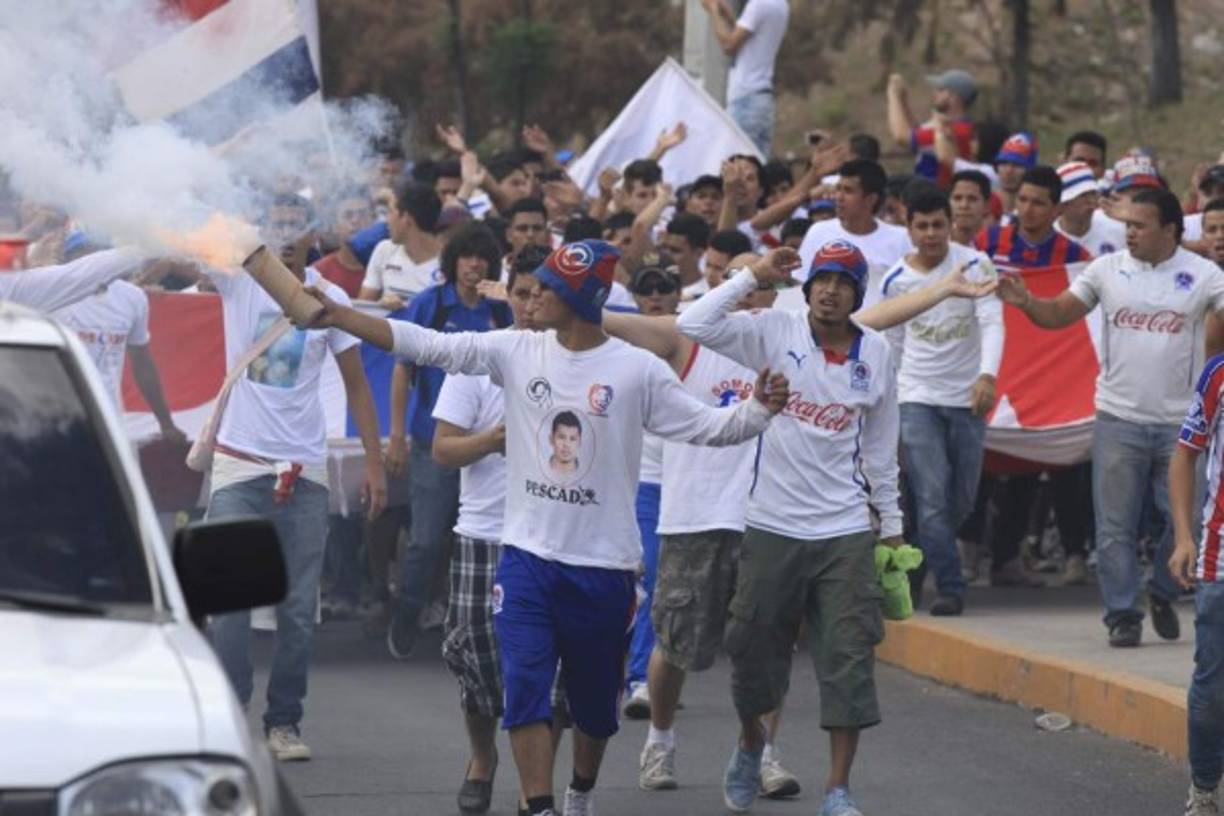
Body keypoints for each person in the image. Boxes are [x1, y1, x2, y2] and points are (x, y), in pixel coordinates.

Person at [300, 239, 790, 816]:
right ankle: (540, 807)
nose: (531, 299)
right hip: (526, 559)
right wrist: (340, 315)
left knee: (591, 709)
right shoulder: (516, 350)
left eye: (549, 289)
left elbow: (710, 427)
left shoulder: (635, 370)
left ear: (580, 300)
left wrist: (759, 409)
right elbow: (425, 344)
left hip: (604, 568)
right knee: (526, 688)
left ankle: (579, 790)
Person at [677, 242, 901, 816]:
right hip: (772, 524)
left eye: (843, 282)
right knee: (753, 650)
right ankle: (752, 743)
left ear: (857, 293)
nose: (830, 290)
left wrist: (892, 528)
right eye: (821, 279)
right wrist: (752, 274)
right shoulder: (772, 331)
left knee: (849, 658)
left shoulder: (875, 352)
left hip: (845, 530)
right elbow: (694, 322)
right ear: (806, 289)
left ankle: (837, 790)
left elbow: (880, 449)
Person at [997, 188, 1224, 648]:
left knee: (1194, 519)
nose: (1131, 234)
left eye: (1140, 226)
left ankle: (1162, 590)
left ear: (1170, 230)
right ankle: (1122, 614)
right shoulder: (1106, 270)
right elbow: (1060, 313)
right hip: (1118, 417)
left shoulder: (1204, 276)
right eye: (1128, 226)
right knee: (1115, 525)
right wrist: (1026, 304)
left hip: (1183, 425)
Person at [205, 197, 387, 762]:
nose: (284, 235)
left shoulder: (331, 300)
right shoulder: (237, 282)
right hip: (238, 463)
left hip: (303, 471)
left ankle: (283, 722)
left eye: (294, 225)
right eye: (274, 224)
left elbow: (357, 385)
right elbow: (177, 251)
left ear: (315, 237)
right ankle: (231, 711)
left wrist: (376, 464)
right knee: (229, 604)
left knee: (297, 612)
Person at [431, 248, 542, 815]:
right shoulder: (479, 362)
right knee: (475, 659)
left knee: (541, 665)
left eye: (540, 294)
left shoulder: (584, 362)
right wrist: (493, 441)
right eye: (520, 293)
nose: (530, 305)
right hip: (482, 534)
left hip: (549, 536)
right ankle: (482, 756)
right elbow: (444, 449)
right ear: (508, 295)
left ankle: (534, 786)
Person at [386, 222, 513, 659]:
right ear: (452, 261)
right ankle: (407, 611)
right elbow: (403, 368)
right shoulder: (430, 304)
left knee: (479, 537)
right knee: (424, 539)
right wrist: (397, 435)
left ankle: (469, 621)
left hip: (493, 444)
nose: (474, 264)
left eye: (482, 256)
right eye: (466, 255)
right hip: (432, 439)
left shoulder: (502, 311)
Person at [880, 189, 1003, 616]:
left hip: (968, 399)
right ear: (909, 228)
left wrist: (987, 375)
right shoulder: (895, 279)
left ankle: (915, 563)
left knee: (961, 500)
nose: (931, 234)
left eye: (938, 224)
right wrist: (887, 403)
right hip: (917, 398)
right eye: (922, 226)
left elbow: (992, 322)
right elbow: (890, 341)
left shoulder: (974, 265)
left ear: (951, 225)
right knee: (932, 495)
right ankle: (950, 587)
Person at [975, 165, 1093, 590]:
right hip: (997, 369)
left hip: (1055, 379)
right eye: (1022, 200)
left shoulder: (1076, 258)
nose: (1027, 209)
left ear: (1056, 207)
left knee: (1058, 464)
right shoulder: (987, 244)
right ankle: (980, 550)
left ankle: (1073, 553)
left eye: (1038, 202)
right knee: (986, 463)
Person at [622, 252, 683, 719]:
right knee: (650, 580)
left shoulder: (704, 342)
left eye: (664, 287)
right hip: (642, 481)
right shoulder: (622, 349)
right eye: (647, 289)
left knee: (671, 587)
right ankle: (640, 677)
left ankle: (656, 674)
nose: (656, 296)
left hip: (691, 484)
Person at [51, 235, 183, 442]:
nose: (91, 263)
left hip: (108, 421)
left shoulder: (132, 298)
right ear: (67, 260)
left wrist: (166, 423)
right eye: (82, 254)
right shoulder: (50, 295)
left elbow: (143, 363)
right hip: (52, 417)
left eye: (98, 254)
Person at [1170, 351, 1224, 816]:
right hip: (1219, 554)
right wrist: (1184, 537)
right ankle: (1205, 789)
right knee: (1213, 685)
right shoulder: (1218, 373)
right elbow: (1185, 456)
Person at [796, 159, 911, 309]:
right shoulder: (818, 232)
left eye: (848, 191)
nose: (838, 197)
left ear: (871, 199)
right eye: (838, 189)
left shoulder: (901, 239)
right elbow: (801, 285)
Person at [700, 0, 789, 156]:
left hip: (746, 99)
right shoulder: (781, 5)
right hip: (762, 98)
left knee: (737, 165)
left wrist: (713, 11)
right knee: (757, 172)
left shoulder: (758, 5)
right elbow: (747, 39)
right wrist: (727, 18)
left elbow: (729, 45)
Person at [358, 182, 443, 309]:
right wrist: (380, 305)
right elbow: (362, 308)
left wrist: (406, 308)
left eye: (390, 212)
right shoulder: (384, 250)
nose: (386, 220)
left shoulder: (451, 262)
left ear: (406, 218)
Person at [887, 69, 977, 186]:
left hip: (938, 193)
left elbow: (902, 136)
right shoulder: (948, 125)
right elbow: (917, 132)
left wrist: (893, 94)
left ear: (954, 97)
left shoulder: (958, 130)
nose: (934, 93)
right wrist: (903, 101)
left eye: (940, 90)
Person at [1055, 161, 1126, 257]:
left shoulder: (1119, 230)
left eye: (1093, 193)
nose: (1091, 200)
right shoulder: (1047, 238)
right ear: (1063, 204)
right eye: (1083, 195)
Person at [314, 188, 376, 298]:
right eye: (348, 215)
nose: (355, 221)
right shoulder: (319, 273)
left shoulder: (386, 268)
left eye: (362, 215)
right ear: (335, 225)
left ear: (373, 221)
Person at [662, 212, 711, 297]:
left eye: (675, 251)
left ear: (698, 254)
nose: (666, 256)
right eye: (664, 248)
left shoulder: (709, 295)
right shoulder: (649, 291)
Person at [994, 133, 1039, 221]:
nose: (1008, 171)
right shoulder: (985, 206)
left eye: (1017, 165)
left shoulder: (1036, 214)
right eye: (1004, 163)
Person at [949, 169, 992, 247]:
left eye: (972, 199)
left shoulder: (996, 245)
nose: (964, 205)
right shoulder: (936, 243)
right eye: (957, 198)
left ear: (987, 206)